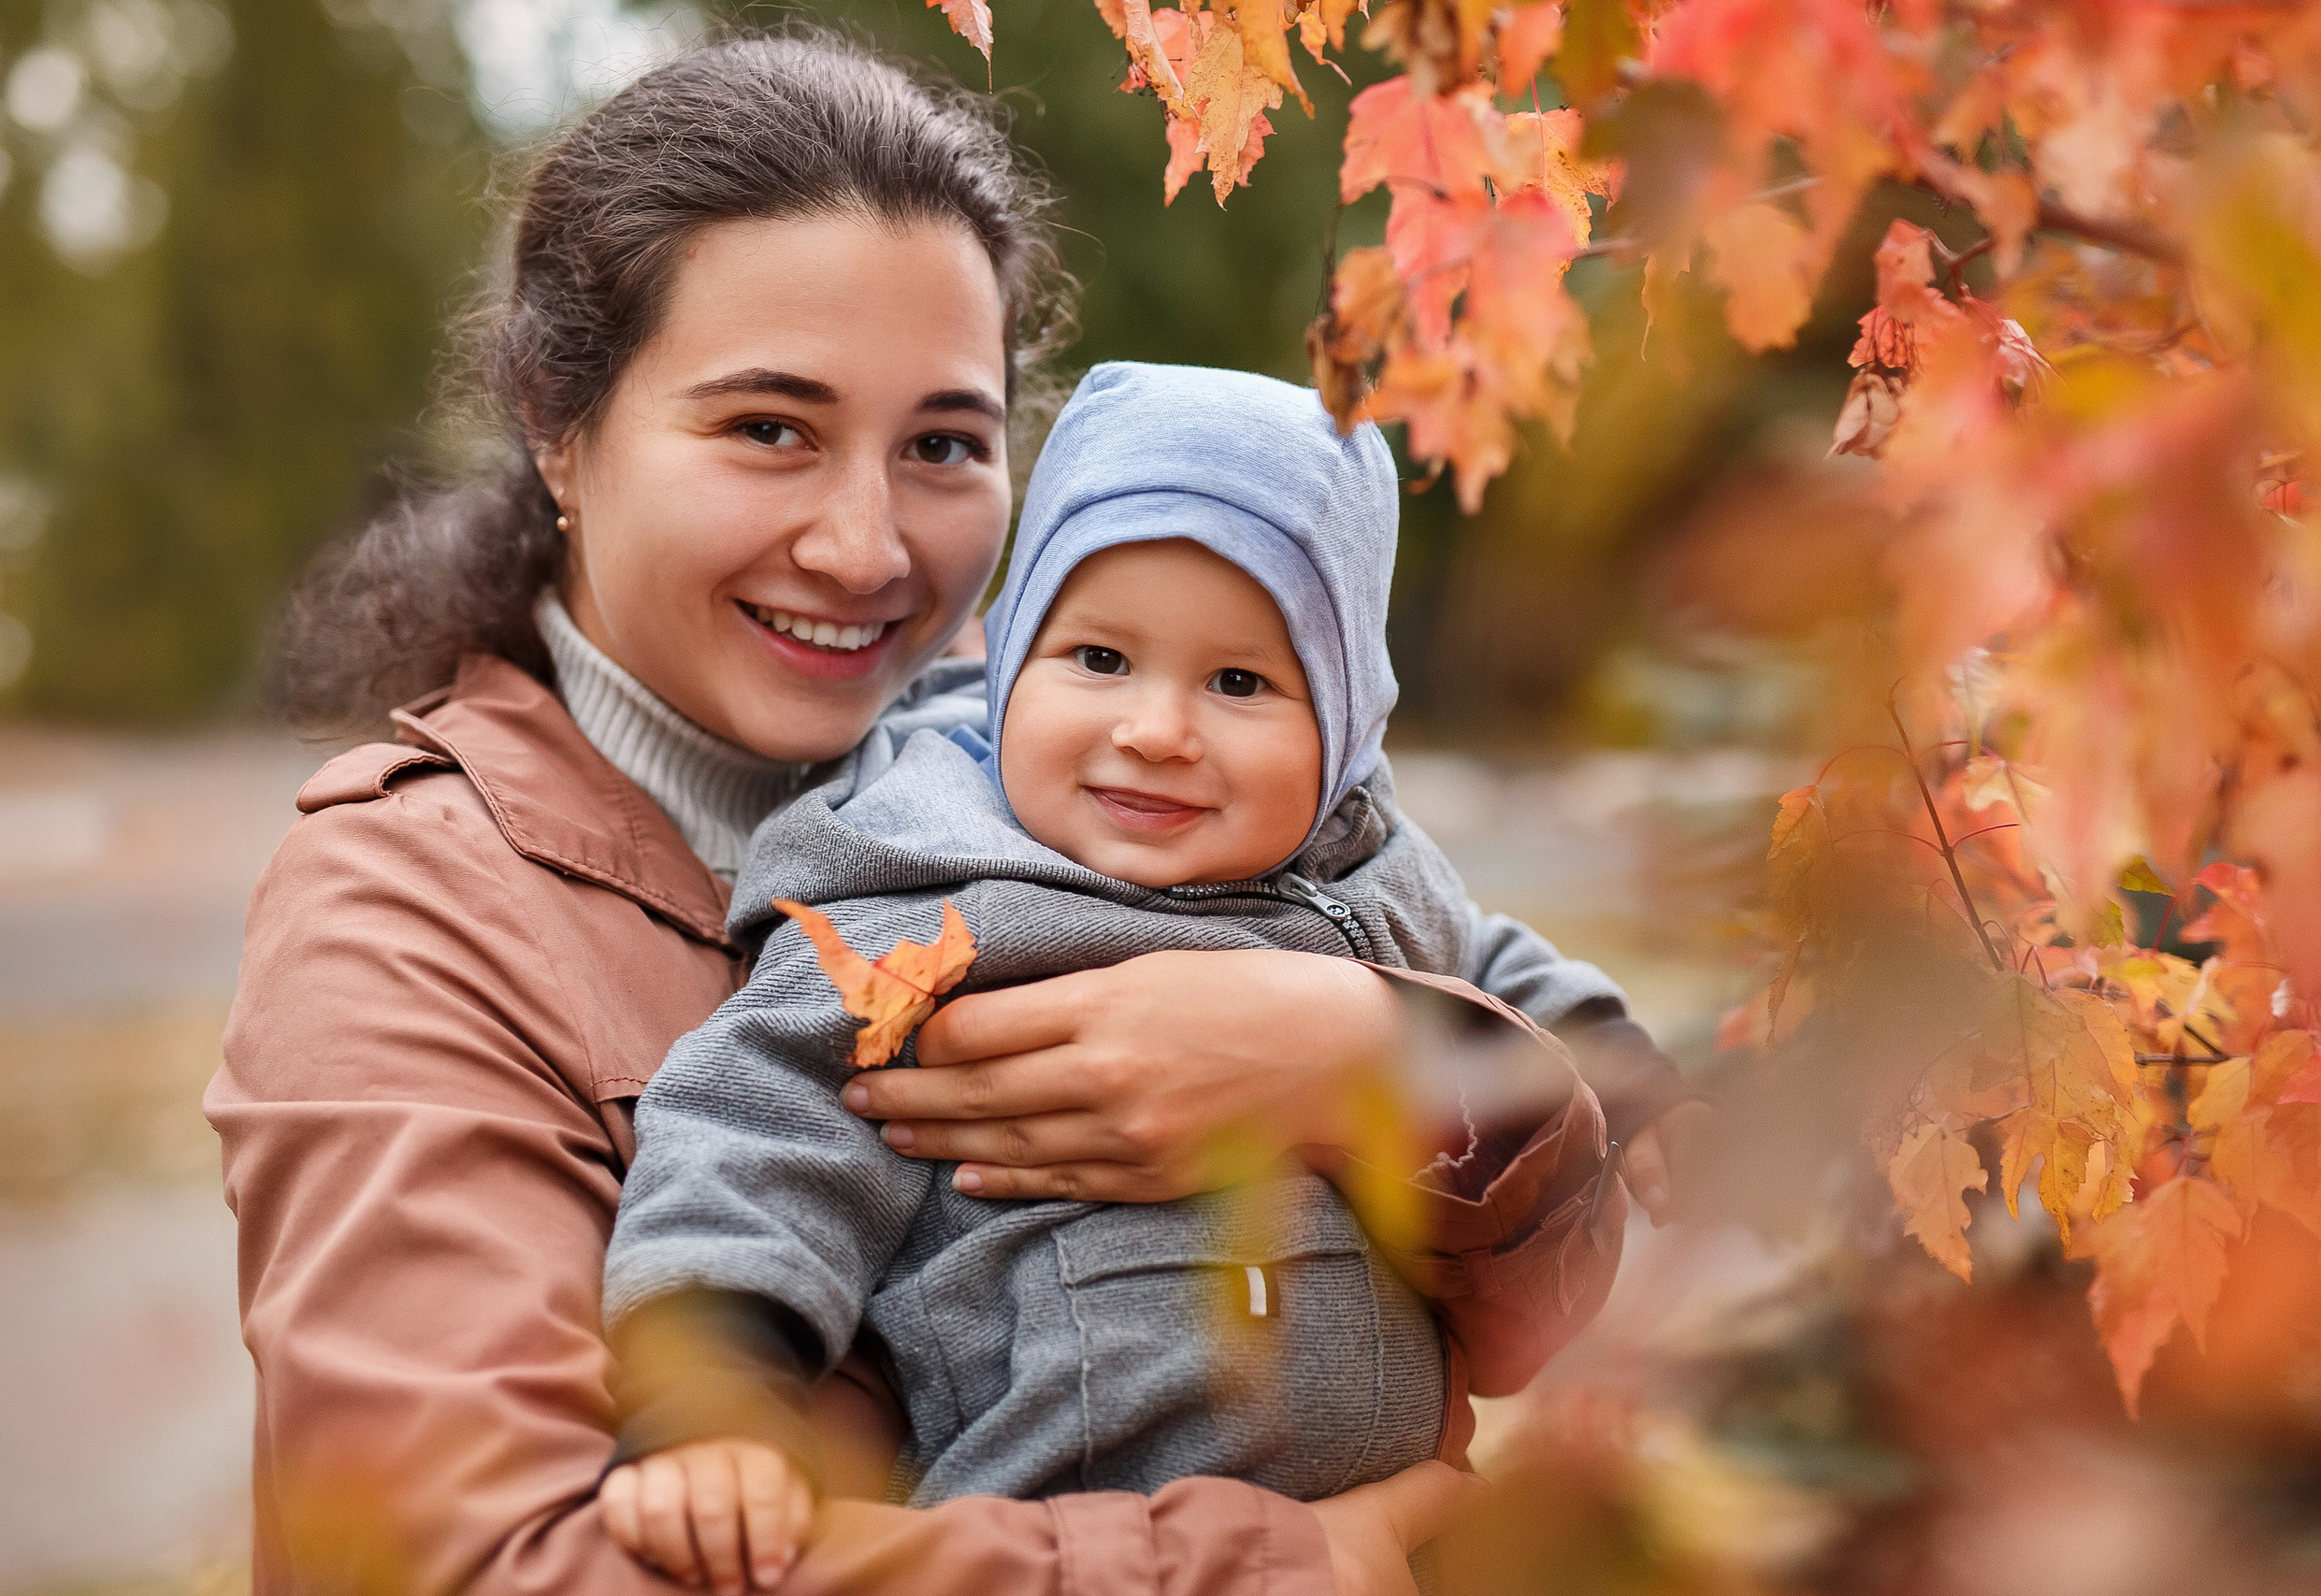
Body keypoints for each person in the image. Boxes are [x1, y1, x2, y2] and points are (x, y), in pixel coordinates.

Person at [208, 28, 1698, 1596]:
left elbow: (1531, 1324)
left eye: (941, 446)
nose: (865, 548)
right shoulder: (409, 910)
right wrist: (1283, 1563)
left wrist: (1379, 1056)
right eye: (768, 427)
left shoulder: (1127, 785)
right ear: (558, 425)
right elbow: (488, 1567)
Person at [597, 363, 1631, 1592]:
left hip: (1409, 1543)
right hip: (1080, 1532)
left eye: (1240, 682)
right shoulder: (928, 916)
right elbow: (752, 1136)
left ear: (1348, 722)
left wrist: (1623, 1069)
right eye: (1096, 658)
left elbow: (1494, 967)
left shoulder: (1376, 877)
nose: (1154, 728)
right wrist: (714, 1401)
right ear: (1009, 665)